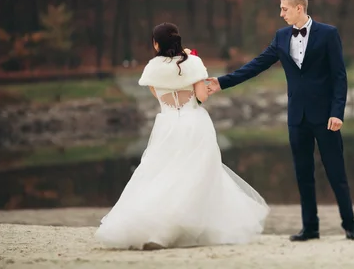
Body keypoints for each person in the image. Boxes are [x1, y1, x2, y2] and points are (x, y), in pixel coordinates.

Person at [207, 0, 354, 241]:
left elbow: (339, 76)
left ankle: (350, 226)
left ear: (299, 7)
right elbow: (257, 65)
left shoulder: (328, 34)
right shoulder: (281, 37)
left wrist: (337, 112)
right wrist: (222, 82)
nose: (281, 14)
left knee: (337, 173)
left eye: (284, 8)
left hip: (326, 117)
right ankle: (310, 228)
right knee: (303, 174)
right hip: (297, 118)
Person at [94, 23, 269, 250]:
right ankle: (179, 228)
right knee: (197, 175)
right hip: (194, 123)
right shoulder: (193, 63)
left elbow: (157, 94)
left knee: (161, 173)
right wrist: (194, 74)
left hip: (167, 125)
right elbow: (202, 97)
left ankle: (155, 227)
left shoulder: (151, 68)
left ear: (156, 44)